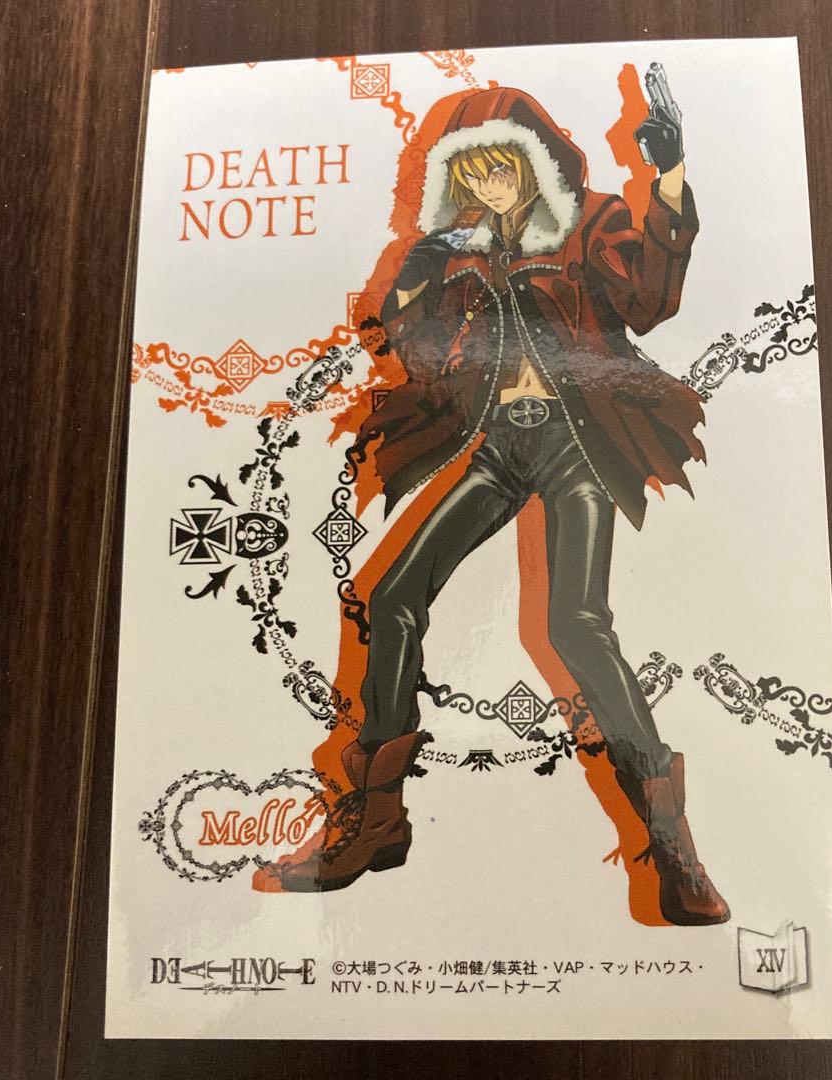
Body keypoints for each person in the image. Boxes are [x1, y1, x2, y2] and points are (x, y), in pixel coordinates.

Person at [281, 85, 729, 925]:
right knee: (390, 596)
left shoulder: (587, 223)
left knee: (576, 624)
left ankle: (675, 849)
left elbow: (650, 301)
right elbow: (415, 356)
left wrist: (667, 180)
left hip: (578, 440)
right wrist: (418, 274)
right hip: (495, 443)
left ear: (535, 159)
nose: (491, 186)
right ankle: (375, 819)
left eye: (504, 167)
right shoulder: (458, 250)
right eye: (474, 173)